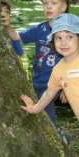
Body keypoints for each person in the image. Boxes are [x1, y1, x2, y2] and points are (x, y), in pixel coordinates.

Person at [1, 0, 69, 140]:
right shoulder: (40, 29)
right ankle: (61, 136)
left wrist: (66, 87)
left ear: (63, 7)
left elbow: (73, 60)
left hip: (55, 84)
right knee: (45, 117)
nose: (48, 6)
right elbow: (15, 36)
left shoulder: (69, 32)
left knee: (44, 115)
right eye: (45, 3)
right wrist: (7, 25)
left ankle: (59, 139)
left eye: (54, 3)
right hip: (38, 82)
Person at [21, 13, 79, 145]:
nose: (63, 42)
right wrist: (35, 108)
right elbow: (48, 93)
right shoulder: (58, 70)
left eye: (69, 36)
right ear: (52, 41)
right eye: (58, 38)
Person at [1, 0, 24, 66]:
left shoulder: (13, 36)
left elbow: (19, 61)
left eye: (6, 12)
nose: (3, 14)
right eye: (0, 11)